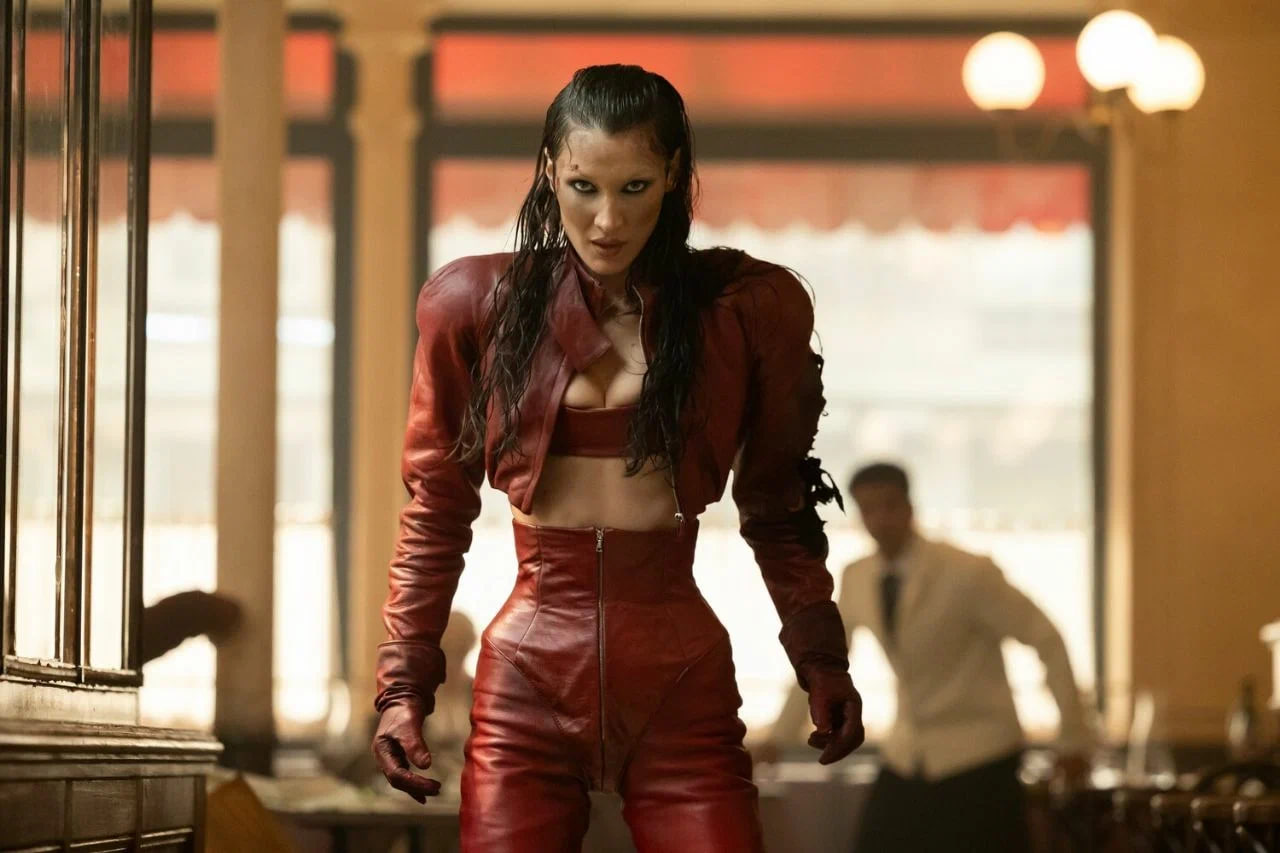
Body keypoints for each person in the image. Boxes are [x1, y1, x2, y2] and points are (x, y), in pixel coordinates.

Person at [370, 64, 865, 852]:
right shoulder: (474, 305)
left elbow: (777, 503)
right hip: (528, 676)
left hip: (678, 674)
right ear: (548, 171)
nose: (607, 220)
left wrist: (821, 657)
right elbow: (436, 507)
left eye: (634, 187)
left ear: (673, 175)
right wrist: (402, 685)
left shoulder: (744, 310)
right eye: (584, 186)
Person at [836, 462, 1091, 852]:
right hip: (907, 753)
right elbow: (825, 662)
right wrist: (778, 738)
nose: (880, 519)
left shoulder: (966, 572)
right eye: (868, 509)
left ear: (909, 507)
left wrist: (1072, 737)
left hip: (980, 754)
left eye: (889, 505)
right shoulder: (857, 577)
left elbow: (1047, 639)